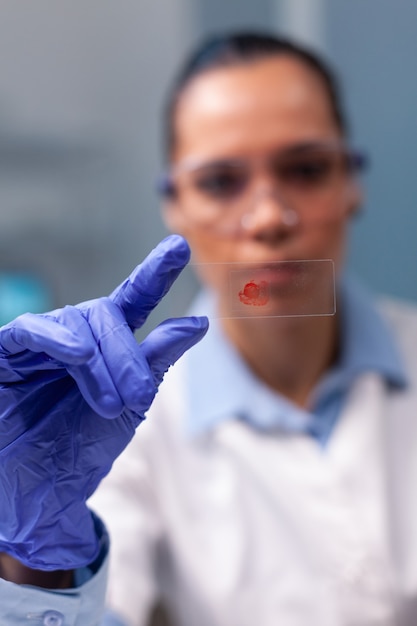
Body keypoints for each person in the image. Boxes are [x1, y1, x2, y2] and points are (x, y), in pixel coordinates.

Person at [1, 29, 417, 626]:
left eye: (305, 169)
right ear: (175, 205)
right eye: (221, 181)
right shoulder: (120, 424)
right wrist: (38, 565)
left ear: (351, 183)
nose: (270, 217)